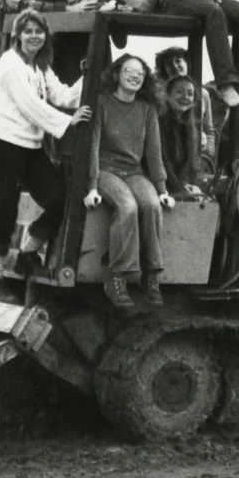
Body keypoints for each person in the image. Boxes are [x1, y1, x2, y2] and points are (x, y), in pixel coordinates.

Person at [0, 10, 89, 301]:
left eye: (39, 32)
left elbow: (64, 96)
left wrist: (87, 75)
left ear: (45, 36)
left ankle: (28, 252)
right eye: (28, 31)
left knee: (59, 196)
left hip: (32, 148)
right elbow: (30, 106)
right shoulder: (10, 64)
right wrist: (67, 122)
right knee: (3, 209)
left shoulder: (40, 67)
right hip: (6, 145)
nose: (34, 37)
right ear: (18, 35)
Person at [82, 54, 175, 310]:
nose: (135, 76)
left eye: (140, 74)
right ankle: (117, 277)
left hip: (133, 171)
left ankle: (151, 275)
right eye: (129, 71)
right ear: (116, 75)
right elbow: (93, 145)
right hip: (105, 170)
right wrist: (91, 185)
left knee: (152, 204)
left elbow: (154, 154)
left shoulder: (147, 110)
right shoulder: (101, 104)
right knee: (127, 206)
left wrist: (162, 189)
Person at [154, 46, 217, 173]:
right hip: (167, 157)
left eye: (178, 61)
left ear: (187, 62)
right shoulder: (159, 94)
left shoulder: (203, 93)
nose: (174, 66)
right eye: (169, 64)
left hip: (195, 156)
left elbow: (209, 130)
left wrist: (207, 156)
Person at [158, 74, 204, 198]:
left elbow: (189, 163)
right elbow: (163, 161)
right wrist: (180, 190)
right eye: (179, 92)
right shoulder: (158, 122)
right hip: (160, 183)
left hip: (177, 184)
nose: (185, 97)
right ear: (168, 95)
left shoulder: (189, 126)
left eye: (190, 93)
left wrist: (187, 184)